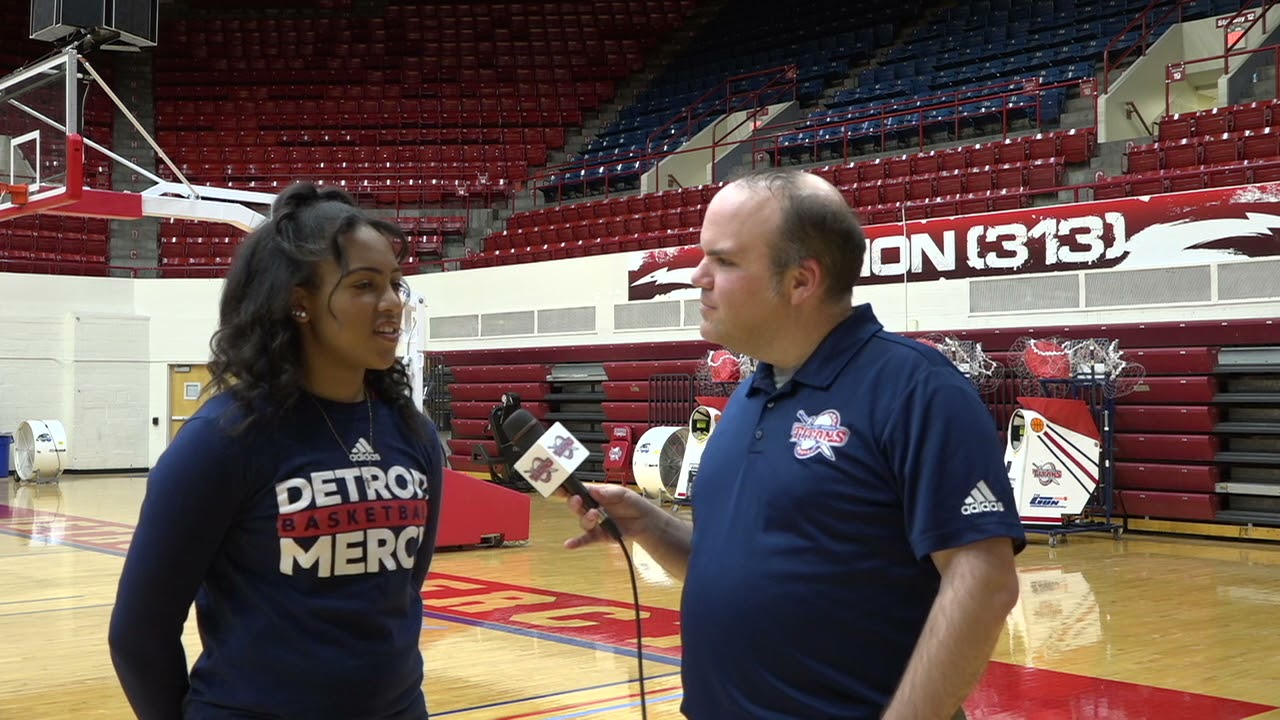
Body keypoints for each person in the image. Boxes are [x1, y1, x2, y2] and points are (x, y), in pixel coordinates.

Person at [565, 168, 1025, 719]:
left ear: (801, 281)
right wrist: (651, 525)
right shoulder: (752, 390)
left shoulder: (915, 389)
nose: (697, 276)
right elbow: (766, 567)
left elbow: (985, 582)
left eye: (725, 260)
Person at [109, 183, 444, 720]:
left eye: (395, 286)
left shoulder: (414, 434)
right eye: (364, 285)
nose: (391, 306)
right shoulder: (222, 439)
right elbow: (138, 634)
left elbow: (403, 590)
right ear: (299, 301)